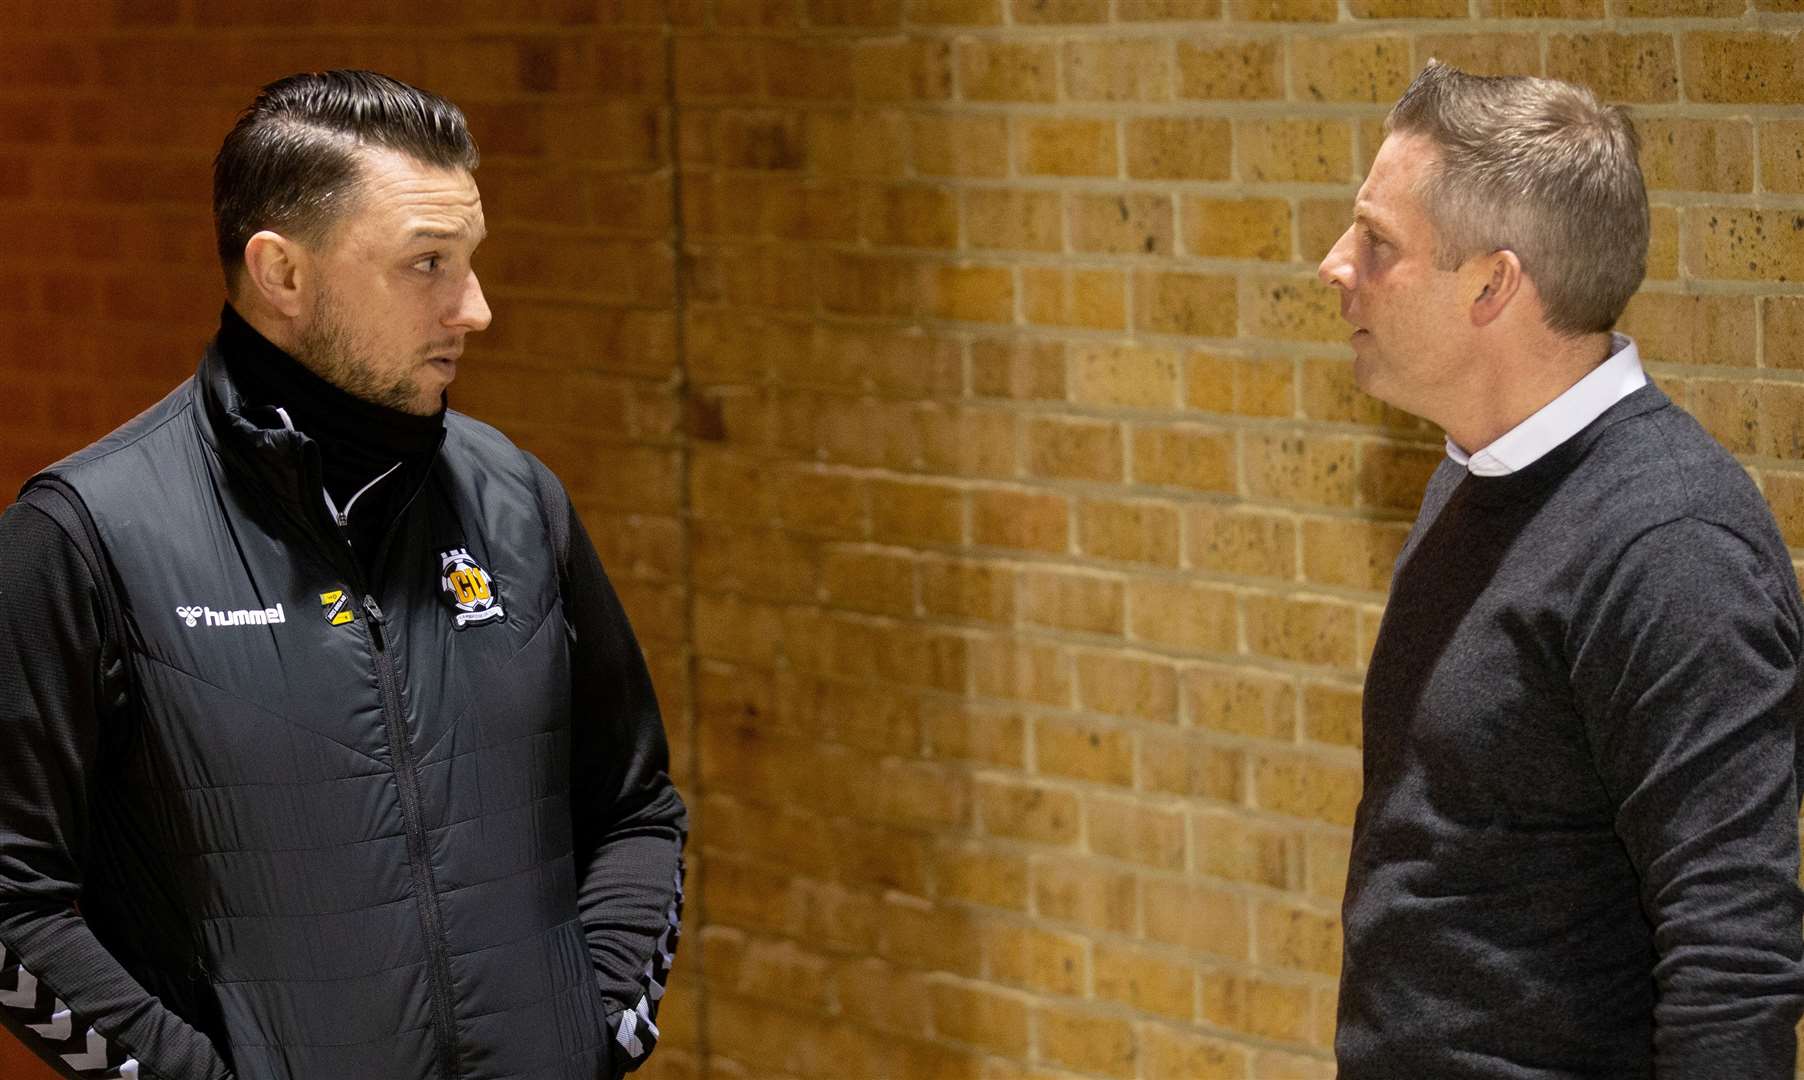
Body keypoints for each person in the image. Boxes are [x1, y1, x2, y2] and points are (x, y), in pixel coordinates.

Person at [0, 70, 686, 1080]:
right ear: (282, 274)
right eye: (426, 264)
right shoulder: (84, 535)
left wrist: (599, 1026)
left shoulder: (517, 500)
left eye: (471, 261)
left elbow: (635, 807)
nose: (476, 308)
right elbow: (14, 897)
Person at [1319, 61, 1804, 1077]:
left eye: (1377, 242)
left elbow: (1732, 963)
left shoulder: (1671, 550)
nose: (1334, 266)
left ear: (1493, 283)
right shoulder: (1475, 470)